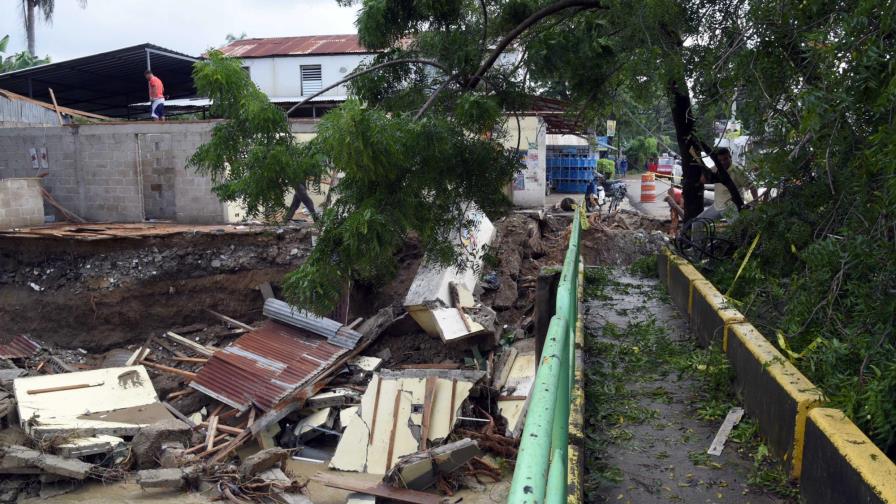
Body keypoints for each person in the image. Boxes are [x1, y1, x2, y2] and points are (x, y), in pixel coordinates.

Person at [697, 147, 757, 221]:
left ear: (730, 157)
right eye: (720, 160)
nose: (723, 162)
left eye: (725, 159)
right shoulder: (715, 168)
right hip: (717, 206)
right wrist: (704, 169)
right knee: (697, 222)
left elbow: (752, 187)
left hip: (731, 207)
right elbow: (703, 181)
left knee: (736, 230)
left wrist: (755, 204)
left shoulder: (737, 171)